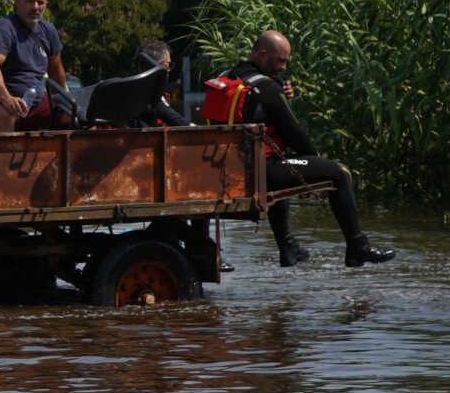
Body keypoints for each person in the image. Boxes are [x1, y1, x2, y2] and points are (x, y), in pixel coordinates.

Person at [204, 30, 397, 267]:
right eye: (280, 61)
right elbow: (296, 135)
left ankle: (287, 247)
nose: (284, 68)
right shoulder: (268, 90)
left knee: (282, 161)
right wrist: (314, 165)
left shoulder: (226, 79)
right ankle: (357, 246)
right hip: (257, 174)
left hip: (223, 171)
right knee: (339, 173)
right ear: (263, 55)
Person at [0, 0, 69, 131]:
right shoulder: (4, 28)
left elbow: (56, 68)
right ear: (18, 2)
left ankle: (63, 153)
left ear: (46, 4)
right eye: (30, 1)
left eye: (40, 2)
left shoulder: (48, 30)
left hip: (35, 102)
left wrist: (64, 100)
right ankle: (4, 153)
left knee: (74, 114)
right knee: (8, 114)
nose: (35, 7)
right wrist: (7, 99)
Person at [133, 37, 191, 126]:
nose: (169, 70)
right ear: (159, 65)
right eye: (168, 64)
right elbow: (179, 122)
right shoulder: (153, 96)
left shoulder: (129, 90)